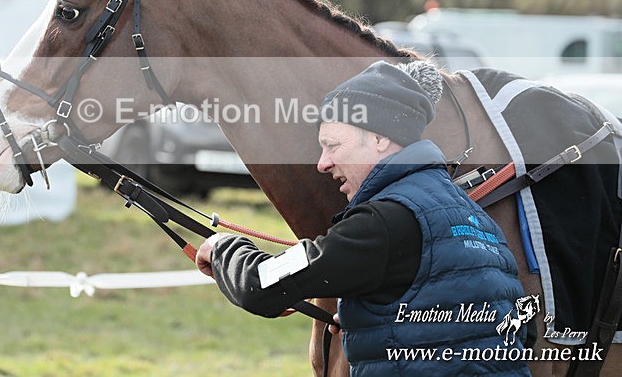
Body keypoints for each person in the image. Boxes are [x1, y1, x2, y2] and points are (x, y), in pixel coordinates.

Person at [196, 60, 531, 375]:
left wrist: (223, 248)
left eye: (332, 145)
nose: (322, 164)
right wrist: (379, 320)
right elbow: (516, 333)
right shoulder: (475, 217)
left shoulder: (381, 223)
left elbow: (262, 284)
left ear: (379, 138)